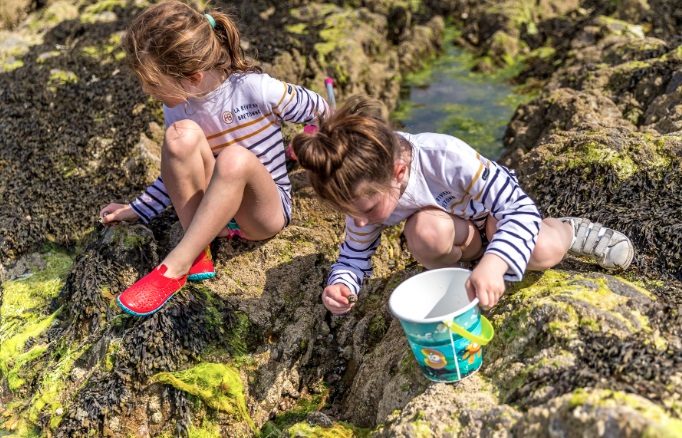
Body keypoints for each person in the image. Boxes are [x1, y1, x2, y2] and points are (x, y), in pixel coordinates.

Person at [291, 96, 635, 315]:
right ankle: (463, 277)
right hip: (459, 236)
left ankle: (568, 229)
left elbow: (518, 208)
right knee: (424, 231)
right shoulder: (362, 195)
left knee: (542, 251)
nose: (359, 221)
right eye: (349, 212)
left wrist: (497, 264)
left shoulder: (445, 158)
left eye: (366, 211)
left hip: (496, 217)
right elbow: (353, 256)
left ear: (397, 172)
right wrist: (343, 286)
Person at [100, 0, 330, 316]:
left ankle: (177, 264)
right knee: (179, 138)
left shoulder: (256, 89)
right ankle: (199, 248)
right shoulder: (176, 105)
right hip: (212, 209)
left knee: (234, 158)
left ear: (194, 76)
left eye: (152, 83)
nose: (146, 90)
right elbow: (175, 171)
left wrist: (310, 144)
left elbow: (320, 108)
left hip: (261, 215)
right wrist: (139, 209)